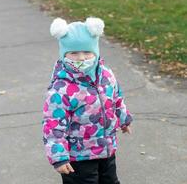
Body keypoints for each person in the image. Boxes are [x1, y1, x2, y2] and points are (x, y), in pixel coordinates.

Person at [42, 17, 133, 184]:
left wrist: (123, 118)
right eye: (74, 53)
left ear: (96, 51)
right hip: (78, 157)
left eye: (87, 52)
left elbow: (116, 98)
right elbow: (53, 125)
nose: (81, 58)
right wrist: (59, 157)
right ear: (64, 54)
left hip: (106, 148)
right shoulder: (61, 89)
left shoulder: (106, 75)